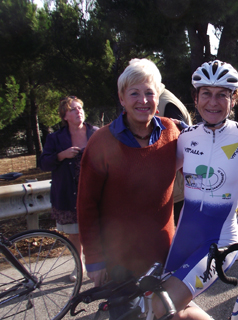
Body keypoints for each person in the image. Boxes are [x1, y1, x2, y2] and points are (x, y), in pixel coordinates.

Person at [152, 60, 238, 319]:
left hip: (219, 241)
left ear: (233, 99)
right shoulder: (185, 137)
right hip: (183, 240)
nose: (213, 102)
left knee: (162, 306)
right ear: (195, 98)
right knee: (172, 312)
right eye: (206, 93)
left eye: (222, 95)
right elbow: (156, 177)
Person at [77, 58, 179, 319]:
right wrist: (95, 260)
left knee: (167, 315)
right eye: (134, 93)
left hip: (166, 254)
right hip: (120, 261)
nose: (143, 100)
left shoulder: (172, 132)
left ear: (158, 98)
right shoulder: (101, 142)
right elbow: (86, 206)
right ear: (122, 98)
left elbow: (209, 152)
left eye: (149, 93)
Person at [40, 96, 98, 281]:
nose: (78, 111)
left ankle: (96, 266)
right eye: (73, 109)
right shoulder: (55, 138)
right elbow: (43, 163)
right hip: (68, 193)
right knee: (74, 232)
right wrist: (61, 155)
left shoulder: (95, 133)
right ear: (64, 115)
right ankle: (79, 266)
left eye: (80, 108)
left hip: (93, 192)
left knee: (95, 231)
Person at [157, 85, 193, 225]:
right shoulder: (161, 99)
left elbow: (182, 142)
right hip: (172, 189)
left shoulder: (166, 103)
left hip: (176, 191)